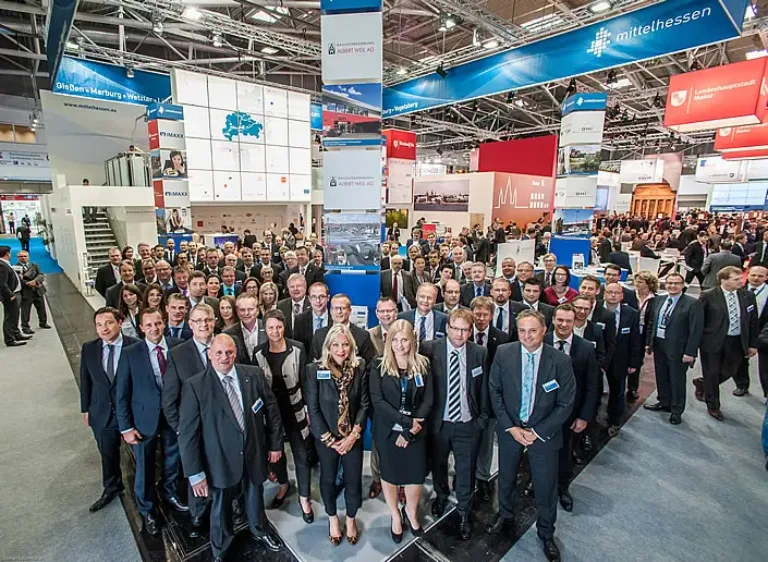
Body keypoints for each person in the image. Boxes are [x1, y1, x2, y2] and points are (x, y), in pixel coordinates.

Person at [178, 334, 285, 559]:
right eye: (218, 353)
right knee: (221, 508)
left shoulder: (253, 375)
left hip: (253, 453)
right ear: (209, 355)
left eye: (228, 352)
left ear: (235, 353)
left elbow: (272, 411)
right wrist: (195, 474)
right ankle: (220, 548)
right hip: (219, 460)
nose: (224, 357)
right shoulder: (195, 386)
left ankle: (259, 529)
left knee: (255, 495)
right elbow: (187, 434)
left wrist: (276, 445)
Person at [486, 309, 576, 562]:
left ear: (544, 330)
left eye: (532, 330)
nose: (527, 336)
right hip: (511, 431)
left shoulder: (560, 361)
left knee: (545, 487)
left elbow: (566, 403)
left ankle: (546, 533)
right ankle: (505, 514)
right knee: (506, 477)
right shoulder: (504, 353)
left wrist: (537, 432)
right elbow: (495, 391)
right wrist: (511, 427)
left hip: (544, 435)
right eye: (522, 330)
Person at [116, 308, 187, 535]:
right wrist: (126, 427)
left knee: (173, 458)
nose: (154, 329)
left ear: (164, 323)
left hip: (173, 416)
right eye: (149, 325)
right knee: (145, 466)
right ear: (141, 328)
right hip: (143, 420)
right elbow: (122, 393)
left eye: (157, 323)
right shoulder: (130, 353)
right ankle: (147, 509)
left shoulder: (178, 346)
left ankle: (170, 492)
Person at [420, 309, 488, 540]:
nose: (460, 334)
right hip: (439, 423)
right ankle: (441, 495)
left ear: (471, 331)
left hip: (468, 424)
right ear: (447, 328)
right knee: (438, 465)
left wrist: (481, 420)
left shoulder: (479, 352)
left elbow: (483, 388)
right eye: (456, 328)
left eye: (465, 330)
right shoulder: (430, 349)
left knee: (466, 470)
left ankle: (464, 511)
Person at [305, 324, 369, 546]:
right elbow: (313, 409)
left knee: (353, 480)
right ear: (328, 347)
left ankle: (350, 519)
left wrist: (353, 436)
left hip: (352, 437)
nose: (341, 350)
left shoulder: (360, 367)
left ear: (351, 346)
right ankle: (332, 518)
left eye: (345, 344)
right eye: (336, 345)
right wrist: (331, 441)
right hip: (326, 439)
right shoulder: (314, 370)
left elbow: (364, 404)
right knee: (328, 479)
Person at [369, 319, 432, 543]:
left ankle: (411, 513)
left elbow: (428, 400)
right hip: (388, 432)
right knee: (390, 475)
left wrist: (410, 431)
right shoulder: (378, 364)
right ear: (388, 341)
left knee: (415, 476)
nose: (400, 345)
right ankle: (395, 515)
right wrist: (406, 423)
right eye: (395, 340)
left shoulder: (423, 364)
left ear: (412, 340)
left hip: (416, 432)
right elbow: (378, 402)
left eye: (404, 340)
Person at [252, 310, 314, 522]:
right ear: (265, 329)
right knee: (276, 454)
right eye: (271, 327)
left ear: (284, 327)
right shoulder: (258, 353)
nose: (275, 331)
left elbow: (305, 381)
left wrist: (308, 410)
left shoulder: (298, 348)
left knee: (302, 455)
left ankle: (304, 498)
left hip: (295, 409)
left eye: (278, 327)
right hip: (271, 413)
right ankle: (283, 484)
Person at [163, 303, 216, 537]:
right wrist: (181, 429)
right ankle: (198, 514)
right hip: (194, 430)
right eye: (198, 321)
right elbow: (169, 400)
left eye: (208, 320)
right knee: (197, 473)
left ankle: (231, 507)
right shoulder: (178, 354)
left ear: (214, 321)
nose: (204, 324)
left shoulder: (225, 344)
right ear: (190, 324)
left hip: (223, 426)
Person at [80, 307, 139, 512]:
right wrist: (85, 409)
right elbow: (86, 381)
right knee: (107, 454)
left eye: (108, 323)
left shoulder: (136, 346)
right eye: (99, 325)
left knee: (140, 454)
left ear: (120, 323)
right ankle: (112, 487)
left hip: (131, 413)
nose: (104, 328)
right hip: (101, 413)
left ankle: (145, 491)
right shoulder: (89, 349)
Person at [544, 303, 598, 513]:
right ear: (553, 320)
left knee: (565, 453)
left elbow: (592, 386)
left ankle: (562, 488)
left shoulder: (586, 348)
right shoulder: (541, 341)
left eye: (568, 321)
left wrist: (584, 417)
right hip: (542, 412)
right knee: (538, 452)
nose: (564, 324)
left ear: (575, 322)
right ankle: (535, 482)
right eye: (560, 320)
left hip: (570, 413)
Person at [696, 266, 758, 421]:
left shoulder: (748, 296)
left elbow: (753, 321)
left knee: (731, 369)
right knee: (712, 372)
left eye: (741, 278)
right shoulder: (708, 295)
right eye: (736, 279)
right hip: (712, 341)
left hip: (737, 340)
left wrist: (752, 344)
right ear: (723, 280)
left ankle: (703, 383)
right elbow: (698, 321)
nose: (741, 281)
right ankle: (713, 406)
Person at [644, 273, 703, 424]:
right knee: (661, 375)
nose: (672, 286)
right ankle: (664, 402)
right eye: (669, 283)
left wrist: (690, 352)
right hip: (659, 344)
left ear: (682, 285)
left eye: (676, 283)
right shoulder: (659, 300)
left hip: (679, 348)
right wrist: (649, 342)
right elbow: (652, 322)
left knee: (677, 380)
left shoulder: (692, 303)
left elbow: (696, 330)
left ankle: (676, 410)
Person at [470, 296, 509, 502]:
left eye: (485, 314)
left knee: (486, 442)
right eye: (477, 314)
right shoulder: (463, 333)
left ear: (492, 315)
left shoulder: (502, 338)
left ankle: (482, 476)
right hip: (467, 397)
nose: (481, 318)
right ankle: (464, 472)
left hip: (491, 399)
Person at [366, 297, 399, 498]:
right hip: (376, 398)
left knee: (400, 440)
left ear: (396, 312)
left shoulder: (406, 332)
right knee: (378, 440)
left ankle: (400, 481)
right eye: (382, 311)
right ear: (376, 313)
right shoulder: (368, 336)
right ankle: (377, 478)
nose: (387, 314)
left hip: (400, 397)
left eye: (390, 310)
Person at [603, 283, 643, 436]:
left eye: (616, 293)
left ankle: (614, 420)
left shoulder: (631, 313)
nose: (613, 295)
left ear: (622, 296)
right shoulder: (596, 309)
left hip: (620, 359)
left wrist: (634, 362)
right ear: (604, 294)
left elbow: (635, 340)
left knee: (618, 391)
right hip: (600, 357)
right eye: (610, 292)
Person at [310, 293, 376, 364]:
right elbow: (313, 363)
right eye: (335, 308)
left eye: (343, 308)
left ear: (350, 310)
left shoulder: (363, 335)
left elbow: (368, 365)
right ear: (331, 311)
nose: (339, 312)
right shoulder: (319, 334)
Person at [629, 270, 659, 400]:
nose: (637, 284)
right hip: (629, 331)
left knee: (637, 361)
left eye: (640, 282)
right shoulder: (630, 295)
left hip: (642, 334)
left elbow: (653, 321)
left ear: (648, 284)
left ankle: (632, 388)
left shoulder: (655, 299)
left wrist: (649, 341)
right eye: (636, 281)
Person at [742, 266, 768, 397]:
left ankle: (766, 392)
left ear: (766, 277)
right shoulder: (739, 290)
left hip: (764, 332)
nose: (756, 278)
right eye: (753, 275)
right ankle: (742, 385)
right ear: (748, 275)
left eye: (760, 276)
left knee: (765, 366)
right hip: (743, 331)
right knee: (740, 361)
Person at [224, 293, 267, 364]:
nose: (246, 313)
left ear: (257, 310)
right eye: (242, 310)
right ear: (237, 311)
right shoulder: (228, 333)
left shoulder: (268, 328)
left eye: (250, 309)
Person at [0, 245, 28, 346]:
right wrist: (10, 295)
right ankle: (9, 339)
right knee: (10, 317)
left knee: (15, 315)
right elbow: (2, 283)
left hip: (16, 293)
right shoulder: (2, 265)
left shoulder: (5, 264)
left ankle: (16, 333)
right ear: (7, 254)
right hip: (11, 296)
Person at [16, 250, 50, 333]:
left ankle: (43, 322)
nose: (23, 258)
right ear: (18, 258)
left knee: (41, 308)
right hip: (26, 292)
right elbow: (17, 279)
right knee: (25, 310)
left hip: (38, 290)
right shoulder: (15, 268)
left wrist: (35, 281)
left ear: (28, 257)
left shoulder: (34, 265)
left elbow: (41, 274)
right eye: (21, 256)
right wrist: (28, 283)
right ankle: (25, 327)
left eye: (25, 256)